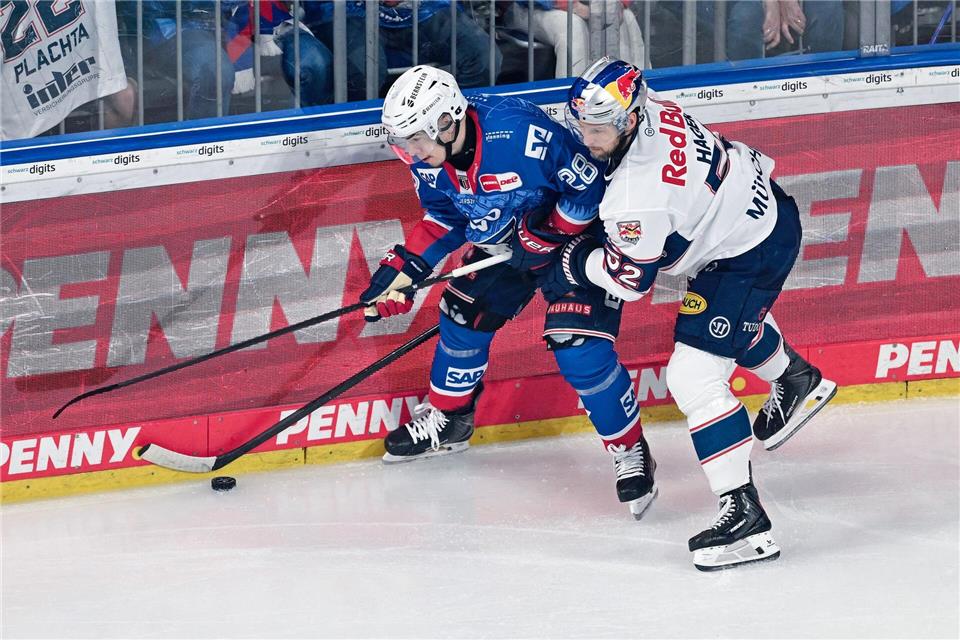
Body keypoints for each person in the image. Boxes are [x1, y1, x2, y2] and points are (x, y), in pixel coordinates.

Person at [542, 57, 837, 569]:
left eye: (598, 130)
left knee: (693, 375)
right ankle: (797, 378)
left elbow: (628, 282)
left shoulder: (636, 194)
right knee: (724, 326)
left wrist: (572, 259)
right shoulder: (650, 105)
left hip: (747, 252)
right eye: (582, 127)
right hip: (758, 214)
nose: (587, 140)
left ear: (628, 119)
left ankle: (744, 515)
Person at [359, 65, 658, 519]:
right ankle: (450, 419)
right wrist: (406, 265)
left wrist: (547, 236)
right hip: (507, 244)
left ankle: (630, 449)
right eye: (403, 142)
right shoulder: (429, 162)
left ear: (447, 122)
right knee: (462, 316)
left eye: (416, 140)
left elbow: (588, 187)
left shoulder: (517, 133)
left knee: (576, 344)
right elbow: (446, 217)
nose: (410, 153)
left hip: (579, 239)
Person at [506, 0, 647, 77]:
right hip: (535, 8)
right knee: (572, 26)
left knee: (626, 20)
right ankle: (572, 100)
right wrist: (570, 5)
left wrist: (618, 4)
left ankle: (640, 91)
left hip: (591, 5)